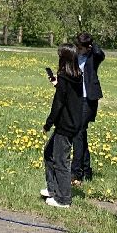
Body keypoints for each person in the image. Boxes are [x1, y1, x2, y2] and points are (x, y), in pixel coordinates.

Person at [41, 44, 83, 209]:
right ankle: (53, 190)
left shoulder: (65, 77)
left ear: (63, 59)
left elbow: (58, 104)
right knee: (49, 153)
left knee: (61, 161)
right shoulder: (76, 76)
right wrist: (58, 85)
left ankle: (63, 199)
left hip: (65, 124)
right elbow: (68, 94)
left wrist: (48, 124)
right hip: (73, 122)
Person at [71, 32, 104, 185]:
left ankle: (76, 172)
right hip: (76, 98)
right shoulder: (75, 57)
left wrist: (92, 43)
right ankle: (86, 169)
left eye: (80, 47)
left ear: (87, 47)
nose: (78, 50)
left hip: (88, 99)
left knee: (78, 132)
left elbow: (100, 53)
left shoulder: (93, 57)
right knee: (80, 134)